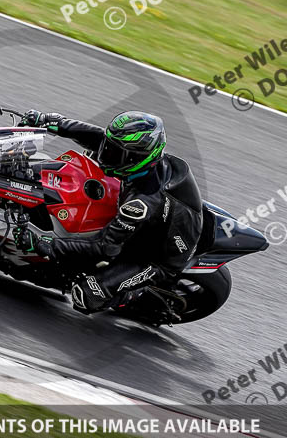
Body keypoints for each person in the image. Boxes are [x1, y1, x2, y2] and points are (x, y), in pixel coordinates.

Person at [13, 110, 203, 316]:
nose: (105, 153)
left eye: (114, 152)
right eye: (108, 146)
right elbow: (94, 136)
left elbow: (104, 247)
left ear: (137, 158)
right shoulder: (135, 160)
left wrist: (44, 244)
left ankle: (134, 295)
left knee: (87, 294)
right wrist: (50, 121)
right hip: (157, 216)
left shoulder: (142, 202)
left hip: (156, 258)